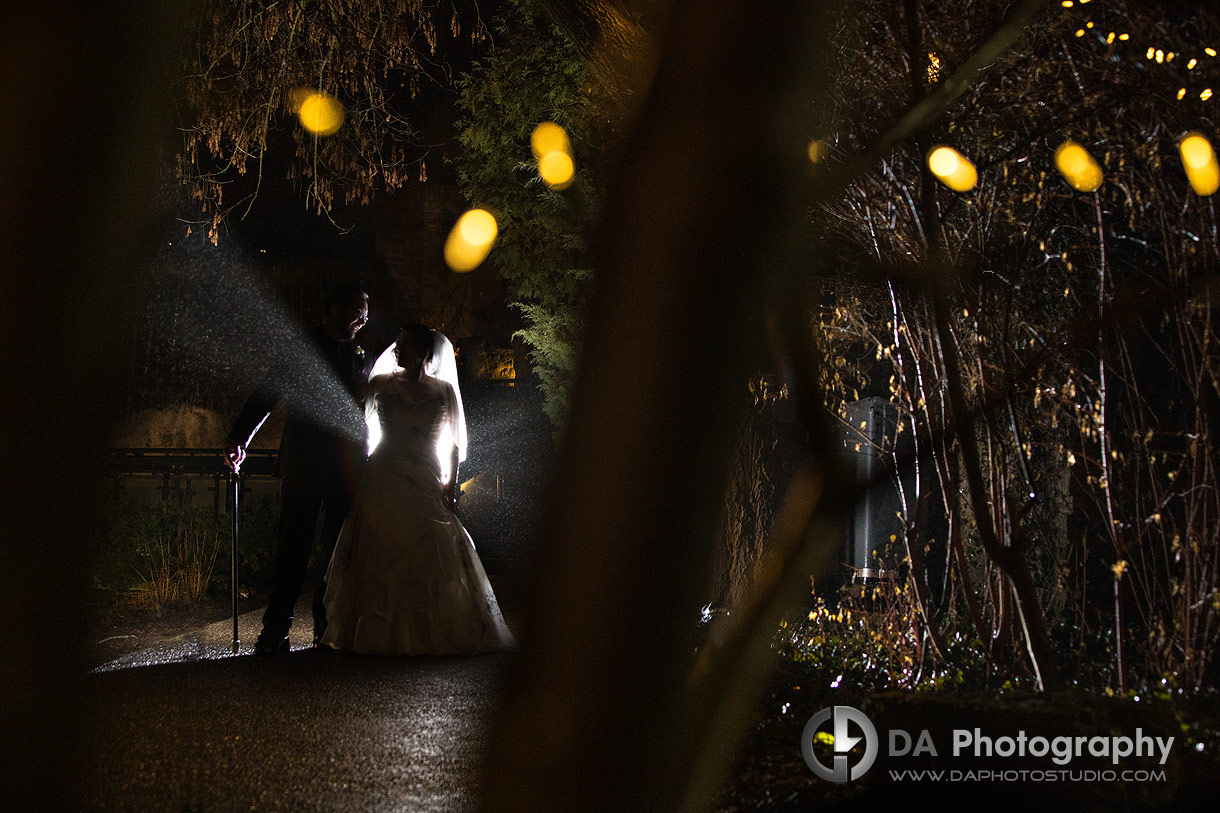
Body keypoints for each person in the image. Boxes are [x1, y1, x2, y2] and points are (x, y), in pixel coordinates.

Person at [320, 324, 515, 655]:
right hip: (385, 470)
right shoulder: (380, 384)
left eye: (406, 345)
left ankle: (428, 631)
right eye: (398, 344)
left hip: (426, 473)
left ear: (425, 353)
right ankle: (374, 632)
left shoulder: (443, 391)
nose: (399, 350)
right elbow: (358, 422)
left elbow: (453, 444)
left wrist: (451, 483)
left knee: (430, 543)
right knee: (380, 547)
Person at [224, 284, 371, 654]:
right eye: (356, 312)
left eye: (365, 317)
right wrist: (241, 438)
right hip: (305, 460)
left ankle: (326, 625)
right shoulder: (301, 348)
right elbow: (266, 393)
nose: (361, 321)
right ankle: (276, 629)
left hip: (346, 466)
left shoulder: (360, 354)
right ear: (334, 307)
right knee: (292, 547)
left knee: (336, 550)